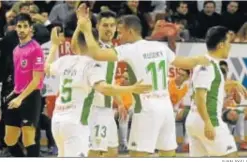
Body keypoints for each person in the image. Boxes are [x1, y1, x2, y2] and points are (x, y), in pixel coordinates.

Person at [78, 10, 210, 157]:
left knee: (137, 155)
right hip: (166, 107)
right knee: (168, 153)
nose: (118, 36)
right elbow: (186, 62)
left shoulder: (128, 49)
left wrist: (85, 29)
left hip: (146, 107)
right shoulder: (160, 47)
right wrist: (202, 59)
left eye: (120, 32)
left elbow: (96, 54)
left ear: (130, 31)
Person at [45, 27, 152, 157]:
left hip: (57, 122)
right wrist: (131, 88)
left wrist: (54, 45)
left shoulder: (65, 60)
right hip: (76, 123)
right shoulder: (91, 65)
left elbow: (46, 67)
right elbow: (105, 89)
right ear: (94, 43)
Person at [72, 10, 121, 157]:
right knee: (93, 152)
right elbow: (75, 47)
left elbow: (110, 79)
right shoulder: (91, 45)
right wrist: (80, 24)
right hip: (93, 108)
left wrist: (119, 102)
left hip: (107, 108)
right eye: (105, 25)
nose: (109, 29)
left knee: (112, 152)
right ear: (97, 26)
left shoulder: (113, 49)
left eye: (112, 25)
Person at [185, 26, 238, 157]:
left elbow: (213, 87)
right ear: (221, 45)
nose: (230, 46)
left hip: (194, 120)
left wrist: (234, 83)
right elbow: (200, 97)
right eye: (228, 43)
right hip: (209, 120)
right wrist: (208, 123)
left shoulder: (209, 63)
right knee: (231, 157)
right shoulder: (207, 65)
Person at [4, 13, 44, 157]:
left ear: (30, 28)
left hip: (31, 96)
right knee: (9, 139)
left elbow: (36, 80)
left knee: (28, 137)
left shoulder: (36, 49)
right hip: (17, 94)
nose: (21, 29)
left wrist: (20, 98)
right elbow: (19, 76)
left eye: (25, 26)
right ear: (15, 28)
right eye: (19, 26)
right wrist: (14, 93)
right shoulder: (16, 50)